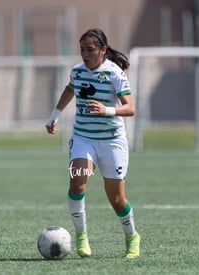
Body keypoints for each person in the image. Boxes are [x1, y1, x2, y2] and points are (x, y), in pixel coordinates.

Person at [45, 28, 140, 259]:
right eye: (82, 50)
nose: (85, 55)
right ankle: (81, 237)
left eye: (90, 50)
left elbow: (130, 108)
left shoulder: (114, 73)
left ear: (103, 50)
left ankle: (132, 237)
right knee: (77, 183)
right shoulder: (77, 72)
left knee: (116, 199)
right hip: (83, 139)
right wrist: (54, 115)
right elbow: (70, 90)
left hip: (112, 143)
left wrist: (106, 110)